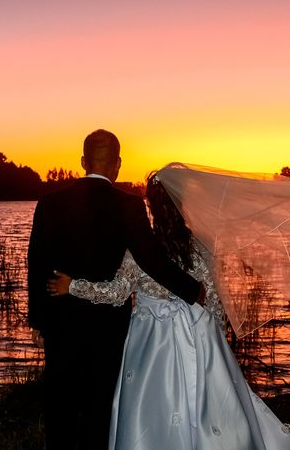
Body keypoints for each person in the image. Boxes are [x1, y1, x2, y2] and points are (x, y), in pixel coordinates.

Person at [48, 170, 290, 449]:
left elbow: (117, 292)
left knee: (151, 411)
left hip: (151, 342)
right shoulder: (200, 247)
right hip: (197, 333)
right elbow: (213, 299)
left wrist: (72, 286)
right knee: (209, 409)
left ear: (150, 206)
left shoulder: (141, 250)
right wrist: (216, 340)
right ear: (183, 204)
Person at [27, 130, 203, 450]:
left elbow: (36, 262)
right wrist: (192, 290)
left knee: (61, 404)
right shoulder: (128, 205)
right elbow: (150, 258)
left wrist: (38, 321)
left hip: (61, 321)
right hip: (107, 326)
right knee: (99, 404)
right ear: (118, 164)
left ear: (83, 161)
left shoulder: (50, 202)